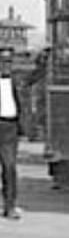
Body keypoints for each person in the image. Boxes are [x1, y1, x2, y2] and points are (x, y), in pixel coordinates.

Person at [0, 51, 28, 219]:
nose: (5, 65)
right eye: (2, 61)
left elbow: (31, 79)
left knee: (9, 167)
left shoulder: (15, 81)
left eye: (8, 61)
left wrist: (44, 61)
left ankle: (10, 206)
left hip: (9, 128)